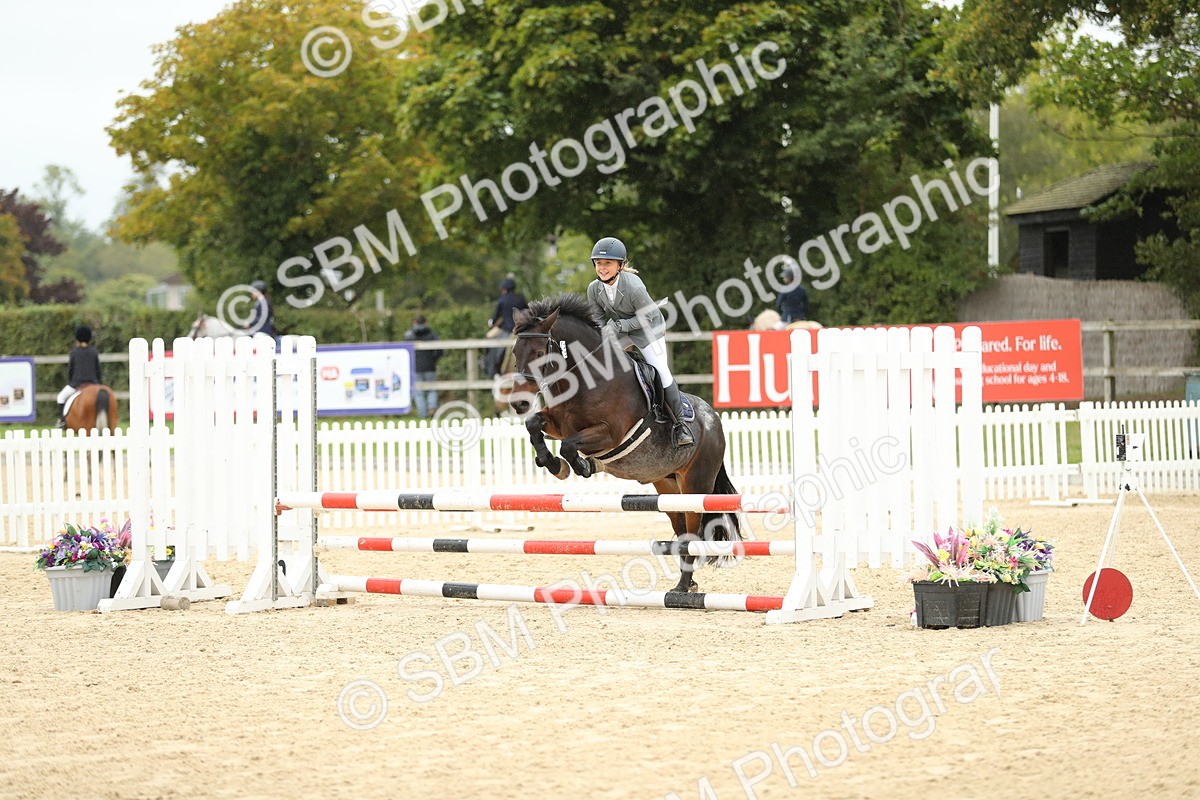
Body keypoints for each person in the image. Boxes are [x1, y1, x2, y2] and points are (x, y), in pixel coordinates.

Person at [585, 236, 694, 448]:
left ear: (620, 265)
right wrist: (600, 336)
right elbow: (597, 318)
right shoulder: (594, 289)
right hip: (621, 329)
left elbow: (648, 317)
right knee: (599, 362)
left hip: (648, 330)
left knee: (660, 370)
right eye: (599, 263)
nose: (602, 268)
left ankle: (681, 425)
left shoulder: (633, 286)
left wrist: (617, 327)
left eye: (607, 263)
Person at [56, 325, 102, 428]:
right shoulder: (94, 351)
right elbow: (98, 370)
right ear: (89, 338)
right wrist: (98, 383)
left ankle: (62, 421)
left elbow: (70, 370)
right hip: (93, 383)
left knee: (60, 397)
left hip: (77, 383)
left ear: (78, 338)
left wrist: (71, 382)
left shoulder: (74, 352)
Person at [485, 276, 528, 377]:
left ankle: (491, 368)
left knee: (488, 338)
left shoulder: (502, 299)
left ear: (504, 289)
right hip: (520, 328)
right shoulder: (520, 298)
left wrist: (491, 322)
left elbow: (496, 316)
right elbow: (527, 311)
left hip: (506, 329)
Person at [404, 315, 443, 418]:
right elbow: (439, 350)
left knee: (418, 392)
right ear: (426, 322)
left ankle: (422, 415)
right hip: (430, 366)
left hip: (415, 367)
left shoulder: (408, 336)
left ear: (414, 322)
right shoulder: (432, 335)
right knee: (432, 389)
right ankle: (432, 406)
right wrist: (434, 359)